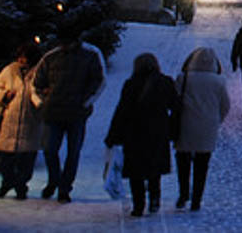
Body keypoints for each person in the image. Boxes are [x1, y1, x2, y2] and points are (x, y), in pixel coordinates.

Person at [31, 27, 105, 203]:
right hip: (54, 111)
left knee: (71, 152)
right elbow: (37, 83)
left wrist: (85, 102)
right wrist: (42, 101)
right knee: (51, 150)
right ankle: (55, 181)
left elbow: (98, 81)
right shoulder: (51, 58)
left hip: (75, 112)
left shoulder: (88, 56)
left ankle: (63, 187)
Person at [104, 53, 175, 217]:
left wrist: (112, 136)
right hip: (158, 132)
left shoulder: (131, 84)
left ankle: (138, 204)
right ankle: (155, 199)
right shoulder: (165, 83)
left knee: (136, 171)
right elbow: (175, 106)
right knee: (154, 169)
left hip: (134, 132)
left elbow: (122, 111)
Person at [173, 47, 230, 212]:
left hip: (185, 125)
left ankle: (183, 193)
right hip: (207, 127)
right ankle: (197, 199)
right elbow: (225, 105)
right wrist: (216, 120)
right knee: (202, 165)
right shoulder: (219, 81)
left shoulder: (183, 78)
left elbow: (175, 100)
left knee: (183, 162)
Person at [0, 42, 43, 200]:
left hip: (30, 122)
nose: (21, 60)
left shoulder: (39, 72)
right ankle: (8, 183)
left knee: (26, 162)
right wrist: (4, 95)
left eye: (24, 57)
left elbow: (44, 91)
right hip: (10, 121)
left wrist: (40, 100)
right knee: (5, 160)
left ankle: (20, 186)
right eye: (19, 57)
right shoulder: (10, 70)